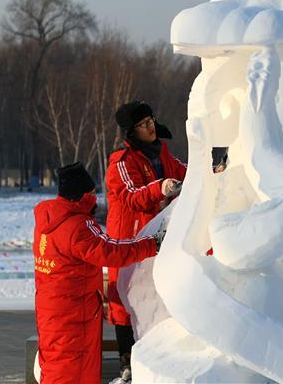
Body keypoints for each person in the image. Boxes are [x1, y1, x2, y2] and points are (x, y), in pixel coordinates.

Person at [33, 162, 163, 384]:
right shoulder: (78, 225)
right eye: (92, 192)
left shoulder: (47, 221)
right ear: (81, 194)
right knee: (74, 370)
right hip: (75, 315)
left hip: (51, 312)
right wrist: (151, 244)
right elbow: (110, 251)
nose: (95, 197)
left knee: (57, 366)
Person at [106, 101, 186, 383]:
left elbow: (182, 171)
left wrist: (210, 169)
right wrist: (160, 187)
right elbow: (131, 195)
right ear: (131, 131)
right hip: (128, 239)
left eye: (151, 119)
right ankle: (126, 363)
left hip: (156, 238)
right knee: (123, 300)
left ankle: (156, 356)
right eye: (143, 123)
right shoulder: (122, 162)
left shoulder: (161, 152)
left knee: (156, 293)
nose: (150, 126)